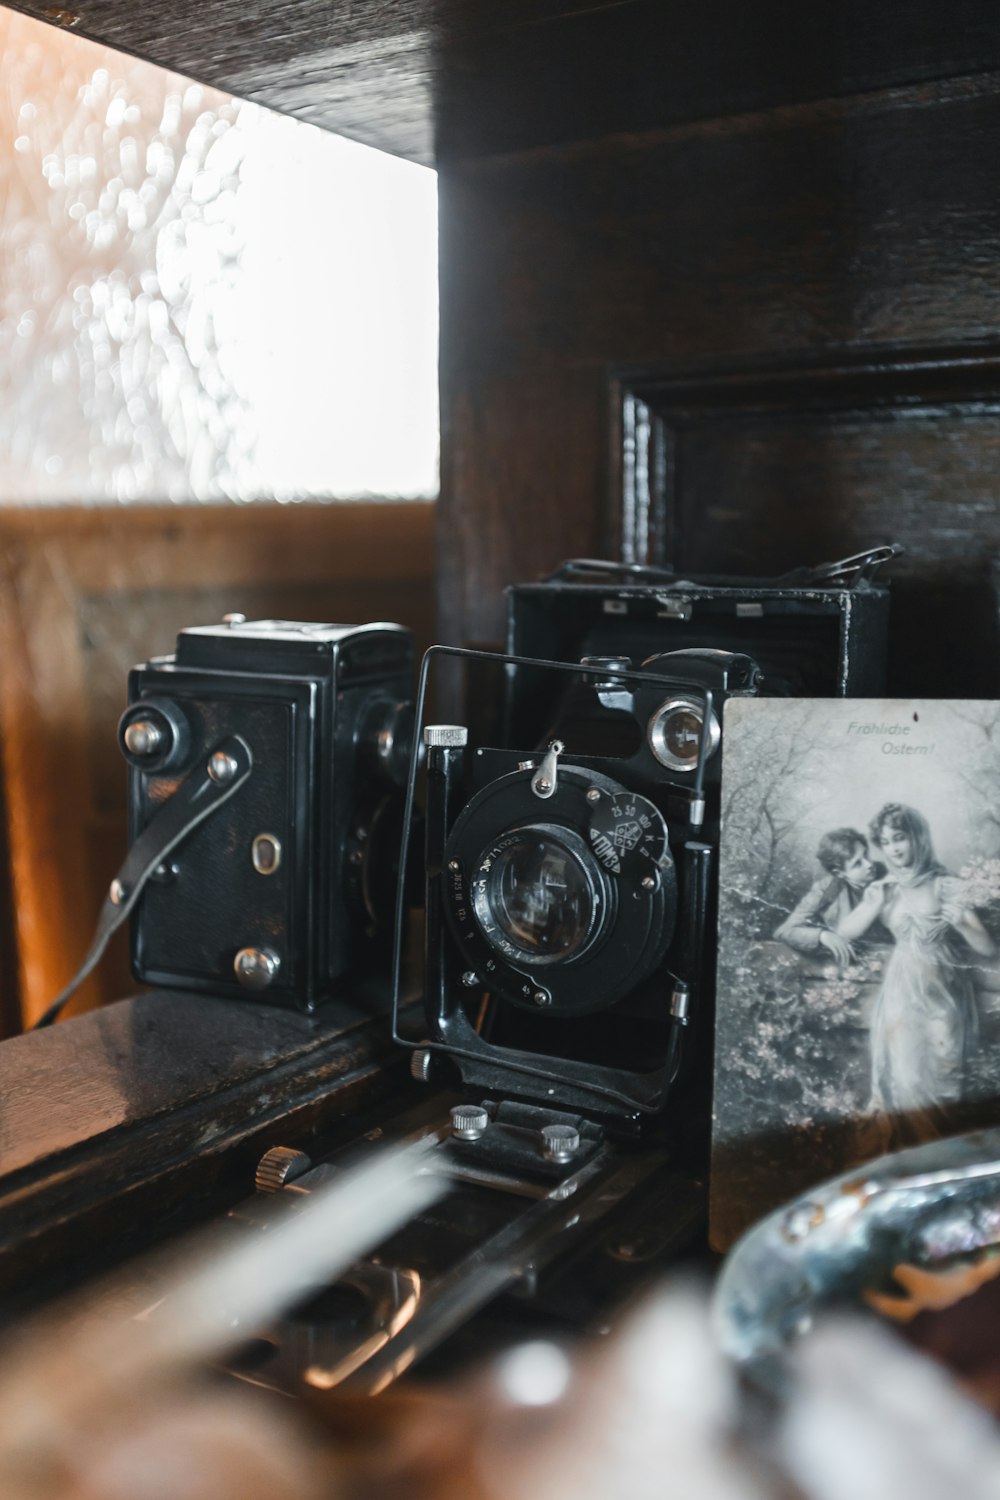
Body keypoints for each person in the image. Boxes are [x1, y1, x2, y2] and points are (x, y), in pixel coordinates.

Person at [838, 802, 997, 1147]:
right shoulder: (885, 889)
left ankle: (937, 1160)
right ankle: (909, 1161)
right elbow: (845, 931)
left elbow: (987, 949)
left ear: (917, 838)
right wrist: (870, 906)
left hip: (944, 990)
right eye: (886, 842)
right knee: (904, 1078)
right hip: (902, 991)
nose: (894, 849)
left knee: (944, 1078)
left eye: (900, 838)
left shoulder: (946, 885)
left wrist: (966, 926)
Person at [775, 828, 883, 966]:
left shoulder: (890, 875)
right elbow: (784, 931)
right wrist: (821, 935)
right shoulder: (826, 889)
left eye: (866, 855)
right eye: (857, 863)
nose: (869, 864)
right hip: (853, 964)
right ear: (839, 873)